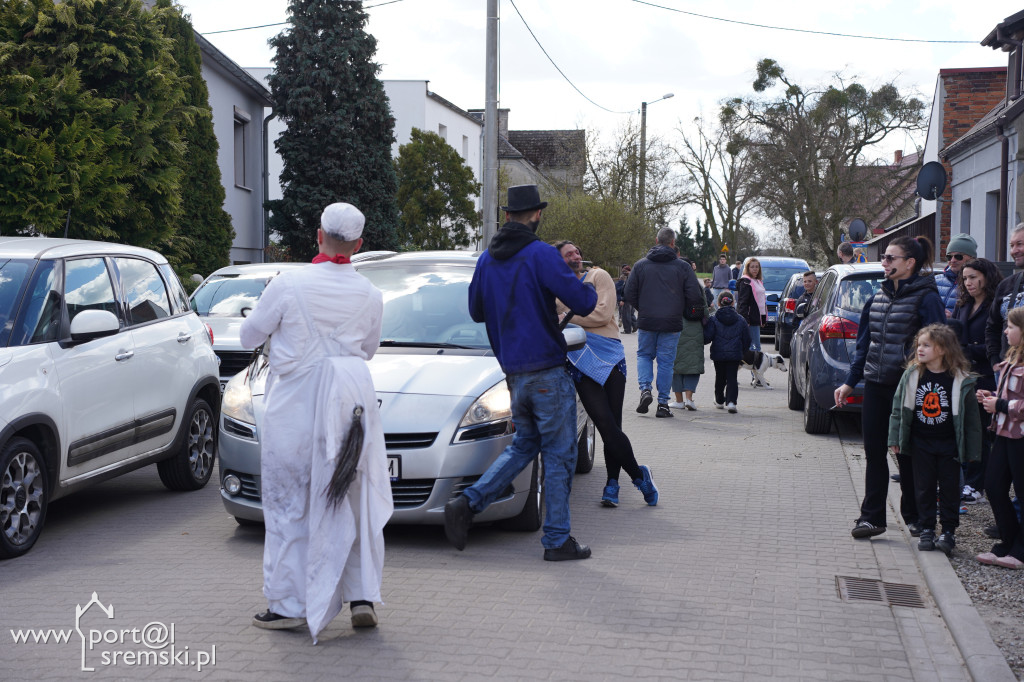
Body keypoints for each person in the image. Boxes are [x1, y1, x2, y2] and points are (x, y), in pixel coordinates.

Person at [240, 202, 392, 640]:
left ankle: (289, 603)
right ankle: (363, 593)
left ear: (318, 235)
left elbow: (250, 335)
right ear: (359, 245)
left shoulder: (288, 284)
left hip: (296, 405)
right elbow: (368, 349)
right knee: (353, 495)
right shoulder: (370, 293)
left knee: (292, 502)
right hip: (350, 403)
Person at [445, 185, 598, 562]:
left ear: (508, 215)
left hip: (512, 372)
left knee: (526, 445)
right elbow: (583, 302)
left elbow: (477, 311)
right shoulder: (541, 255)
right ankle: (557, 539)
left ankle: (467, 502)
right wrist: (581, 281)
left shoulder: (486, 260)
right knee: (560, 455)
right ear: (537, 215)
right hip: (546, 370)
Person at [835, 236, 946, 540]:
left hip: (911, 389)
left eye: (890, 258)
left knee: (909, 455)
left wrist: (932, 386)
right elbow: (863, 347)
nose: (884, 263)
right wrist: (849, 382)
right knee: (873, 452)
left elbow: (942, 346)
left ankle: (915, 516)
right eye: (884, 258)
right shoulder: (876, 299)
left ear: (910, 263)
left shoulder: (927, 298)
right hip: (875, 385)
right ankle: (872, 518)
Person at [553, 241, 658, 509]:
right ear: (559, 261)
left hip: (610, 356)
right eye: (569, 254)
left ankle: (612, 484)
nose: (577, 256)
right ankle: (639, 475)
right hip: (578, 357)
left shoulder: (598, 276)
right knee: (604, 425)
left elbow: (602, 314)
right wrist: (567, 316)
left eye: (577, 251)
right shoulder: (554, 287)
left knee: (614, 425)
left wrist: (566, 316)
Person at [888, 324, 980, 557]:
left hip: (949, 444)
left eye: (926, 345)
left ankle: (948, 531)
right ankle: (927, 527)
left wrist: (972, 450)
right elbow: (898, 410)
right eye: (919, 345)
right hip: (921, 443)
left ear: (942, 349)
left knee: (950, 489)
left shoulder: (960, 380)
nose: (919, 349)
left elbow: (971, 420)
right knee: (924, 487)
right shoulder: (912, 375)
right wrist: (895, 437)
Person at [623, 227, 704, 418]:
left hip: (647, 319)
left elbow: (628, 293)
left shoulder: (641, 265)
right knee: (666, 363)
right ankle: (663, 404)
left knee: (644, 355)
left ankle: (645, 389)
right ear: (673, 243)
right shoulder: (683, 267)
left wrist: (642, 308)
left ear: (656, 240)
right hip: (672, 321)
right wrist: (681, 308)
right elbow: (695, 295)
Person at [976, 306, 1024, 569]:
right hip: (1005, 433)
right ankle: (1009, 541)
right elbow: (1010, 393)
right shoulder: (1012, 359)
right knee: (993, 486)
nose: (1005, 331)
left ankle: (1019, 550)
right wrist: (990, 396)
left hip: (1021, 437)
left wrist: (1001, 405)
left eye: (1011, 327)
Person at [953, 258, 1002, 504]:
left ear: (986, 276)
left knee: (982, 432)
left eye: (973, 277)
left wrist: (969, 350)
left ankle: (977, 485)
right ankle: (968, 480)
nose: (968, 283)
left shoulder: (996, 304)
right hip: (964, 376)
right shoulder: (964, 304)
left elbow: (999, 343)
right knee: (967, 430)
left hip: (987, 376)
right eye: (965, 279)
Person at [703, 291, 750, 413]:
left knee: (720, 377)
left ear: (718, 303)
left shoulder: (714, 319)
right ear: (733, 303)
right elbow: (747, 339)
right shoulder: (741, 320)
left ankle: (719, 400)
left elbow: (707, 337)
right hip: (735, 354)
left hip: (718, 354)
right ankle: (731, 402)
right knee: (732, 377)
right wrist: (742, 351)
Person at [985, 224, 1024, 370]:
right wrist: (995, 361)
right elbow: (992, 326)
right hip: (1006, 371)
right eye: (1012, 245)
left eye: (1019, 244)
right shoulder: (1006, 285)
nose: (1014, 251)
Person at [670, 281, 710, 411]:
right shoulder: (697, 286)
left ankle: (678, 400)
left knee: (675, 364)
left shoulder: (672, 284)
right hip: (695, 327)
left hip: (674, 326)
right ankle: (689, 399)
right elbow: (705, 308)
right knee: (693, 363)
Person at [936, 233, 977, 315]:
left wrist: (953, 319)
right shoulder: (935, 281)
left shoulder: (977, 284)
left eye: (958, 256)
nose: (953, 260)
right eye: (949, 257)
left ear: (971, 258)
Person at [616, 265, 636, 334]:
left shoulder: (630, 278)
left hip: (627, 299)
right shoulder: (632, 277)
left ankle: (627, 330)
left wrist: (623, 299)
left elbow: (627, 289)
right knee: (630, 314)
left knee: (626, 315)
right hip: (631, 299)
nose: (623, 273)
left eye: (625, 271)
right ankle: (634, 326)